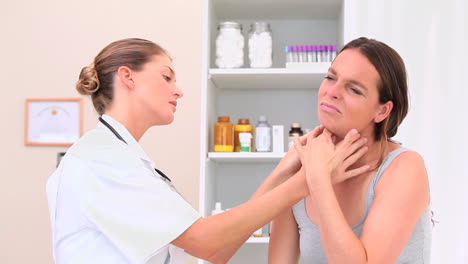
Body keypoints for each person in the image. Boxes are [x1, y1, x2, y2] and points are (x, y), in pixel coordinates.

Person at [46, 38, 361, 264]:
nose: (179, 89)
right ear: (127, 77)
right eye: (166, 76)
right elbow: (207, 242)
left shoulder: (126, 160)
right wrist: (312, 179)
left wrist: (283, 172)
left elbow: (217, 249)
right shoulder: (101, 160)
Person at [268, 37, 432, 264]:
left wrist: (319, 182)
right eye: (330, 77)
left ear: (383, 111)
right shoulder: (300, 166)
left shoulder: (404, 168)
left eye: (354, 89)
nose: (332, 92)